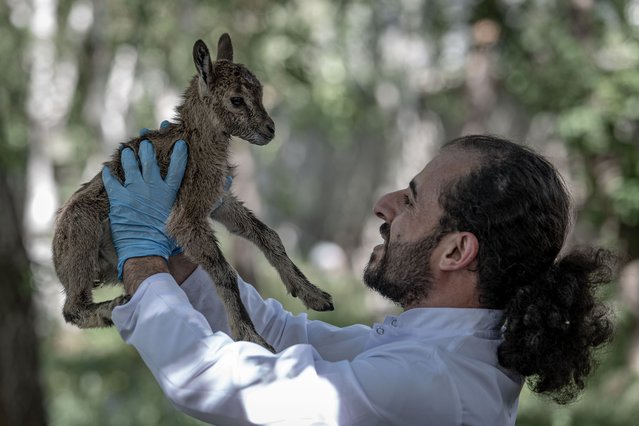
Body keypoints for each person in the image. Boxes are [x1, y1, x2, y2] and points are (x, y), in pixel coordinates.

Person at [103, 133, 615, 425]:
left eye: (411, 199)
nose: (385, 205)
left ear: (457, 251)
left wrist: (140, 256)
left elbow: (209, 380)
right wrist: (180, 257)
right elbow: (282, 339)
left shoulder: (430, 383)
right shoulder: (444, 354)